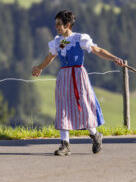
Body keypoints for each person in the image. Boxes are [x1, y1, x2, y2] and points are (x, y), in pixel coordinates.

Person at [32, 10, 124, 156]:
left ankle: (95, 135)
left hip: (79, 77)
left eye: (59, 24)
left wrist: (114, 58)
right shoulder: (60, 42)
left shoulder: (79, 39)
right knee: (63, 107)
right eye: (56, 24)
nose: (56, 27)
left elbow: (97, 50)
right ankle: (65, 144)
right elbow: (50, 57)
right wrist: (39, 68)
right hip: (64, 77)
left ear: (67, 25)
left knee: (84, 107)